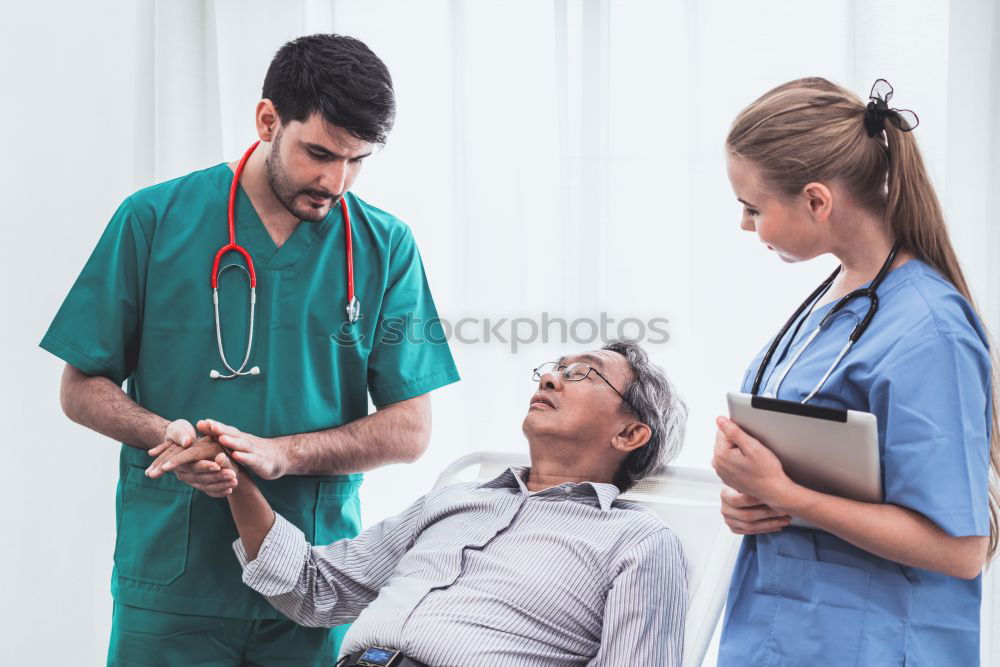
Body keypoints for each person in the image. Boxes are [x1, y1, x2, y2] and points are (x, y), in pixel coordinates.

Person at [40, 33, 459, 666]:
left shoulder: (386, 248)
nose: (334, 181)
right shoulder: (153, 220)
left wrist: (281, 455)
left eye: (357, 160)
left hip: (311, 579)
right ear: (268, 121)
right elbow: (80, 387)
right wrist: (167, 436)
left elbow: (411, 429)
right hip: (173, 577)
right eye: (319, 152)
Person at [146, 339, 689, 666]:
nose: (549, 376)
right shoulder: (452, 503)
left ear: (629, 435)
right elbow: (315, 590)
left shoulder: (637, 542)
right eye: (553, 367)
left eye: (580, 374)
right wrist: (236, 480)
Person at [712, 77, 996, 666]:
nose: (745, 226)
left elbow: (961, 549)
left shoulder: (928, 329)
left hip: (876, 643)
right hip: (782, 630)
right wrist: (753, 498)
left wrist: (785, 493)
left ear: (817, 201)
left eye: (753, 208)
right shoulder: (838, 298)